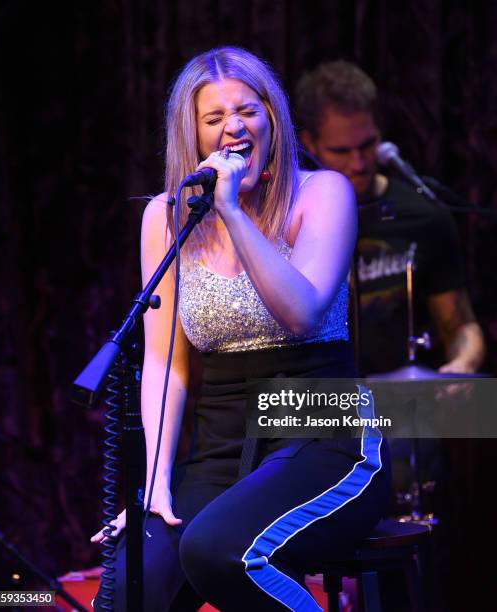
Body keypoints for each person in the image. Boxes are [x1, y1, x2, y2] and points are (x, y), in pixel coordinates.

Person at [92, 47, 390, 611]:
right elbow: (164, 363)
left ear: (272, 119)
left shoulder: (322, 193)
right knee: (132, 581)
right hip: (223, 446)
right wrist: (154, 482)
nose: (234, 126)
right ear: (193, 134)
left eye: (248, 111)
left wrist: (230, 209)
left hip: (322, 429)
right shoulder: (166, 215)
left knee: (218, 550)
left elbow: (300, 312)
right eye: (214, 118)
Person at [295, 60, 485, 375]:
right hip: (320, 403)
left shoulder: (422, 215)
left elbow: (461, 326)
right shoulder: (290, 220)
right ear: (309, 144)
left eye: (367, 145)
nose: (358, 163)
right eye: (341, 151)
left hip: (405, 407)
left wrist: (463, 363)